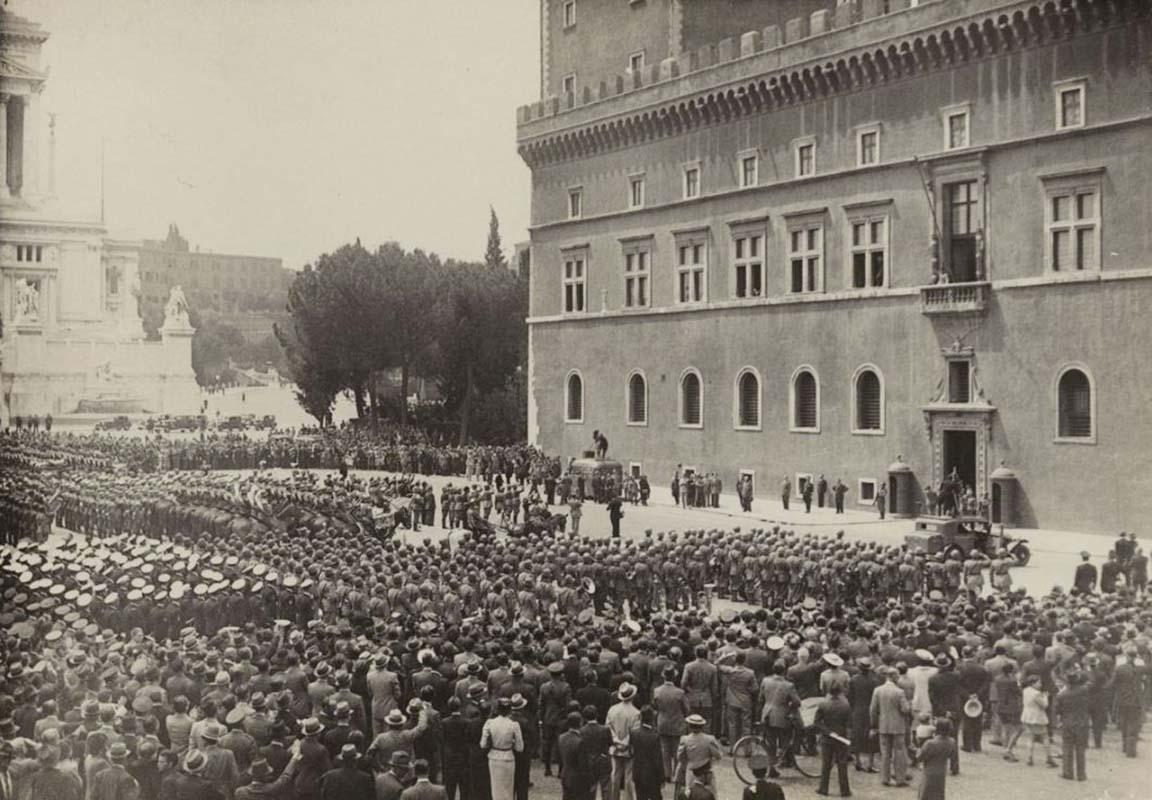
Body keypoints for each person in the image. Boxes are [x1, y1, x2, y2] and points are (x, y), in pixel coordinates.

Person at [870, 666, 910, 788]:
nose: (898, 678)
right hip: (898, 726)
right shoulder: (899, 692)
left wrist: (874, 725)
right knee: (899, 752)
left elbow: (873, 709)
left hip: (883, 725)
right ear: (893, 677)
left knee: (885, 753)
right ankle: (900, 779)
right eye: (897, 676)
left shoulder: (877, 690)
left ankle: (885, 778)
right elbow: (905, 709)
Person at [480, 698, 523, 800]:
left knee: (496, 788)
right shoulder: (514, 725)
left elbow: (482, 744)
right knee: (508, 788)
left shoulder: (490, 723)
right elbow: (520, 747)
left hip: (494, 757)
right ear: (509, 710)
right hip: (508, 757)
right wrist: (511, 743)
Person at [813, 683, 851, 798]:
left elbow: (817, 722)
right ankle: (845, 790)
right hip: (842, 737)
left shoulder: (823, 704)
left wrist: (828, 732)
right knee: (842, 764)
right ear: (840, 692)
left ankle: (823, 788)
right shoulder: (846, 705)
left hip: (827, 737)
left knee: (826, 764)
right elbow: (849, 723)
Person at [1053, 670, 1091, 782]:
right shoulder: (1084, 690)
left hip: (1067, 723)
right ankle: (1081, 774)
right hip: (1082, 722)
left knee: (1067, 748)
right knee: (1080, 749)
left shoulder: (1062, 695)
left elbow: (1057, 710)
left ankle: (1068, 772)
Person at [605, 683, 641, 800]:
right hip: (629, 748)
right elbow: (635, 732)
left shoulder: (612, 710)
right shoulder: (636, 713)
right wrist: (625, 743)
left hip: (615, 747)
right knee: (628, 778)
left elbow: (608, 727)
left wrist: (616, 741)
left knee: (615, 775)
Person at [673, 715, 721, 799]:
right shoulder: (709, 739)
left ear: (689, 726)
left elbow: (680, 756)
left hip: (690, 772)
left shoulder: (685, 739)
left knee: (690, 794)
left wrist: (687, 763)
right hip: (706, 772)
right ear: (702, 726)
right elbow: (718, 755)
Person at [1019, 676, 1055, 768]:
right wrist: (1045, 697)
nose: (1040, 684)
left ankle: (1029, 757)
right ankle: (1049, 757)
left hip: (1027, 715)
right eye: (1038, 683)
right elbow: (1044, 705)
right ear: (1033, 683)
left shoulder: (1025, 690)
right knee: (1045, 737)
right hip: (1037, 716)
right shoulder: (1037, 694)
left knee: (1030, 737)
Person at [916, 718, 956, 800]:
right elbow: (952, 756)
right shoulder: (952, 742)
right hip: (941, 772)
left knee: (925, 794)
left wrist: (917, 749)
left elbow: (919, 758)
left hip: (929, 773)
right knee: (938, 794)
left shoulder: (930, 743)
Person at [630, 707, 664, 800]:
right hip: (652, 774)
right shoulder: (655, 735)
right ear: (652, 718)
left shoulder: (633, 733)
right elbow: (658, 759)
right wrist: (662, 777)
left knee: (640, 797)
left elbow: (631, 752)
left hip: (638, 771)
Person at [558, 712, 592, 800]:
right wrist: (590, 780)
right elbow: (583, 765)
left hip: (565, 774)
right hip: (578, 779)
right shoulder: (580, 742)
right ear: (580, 723)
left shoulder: (561, 737)